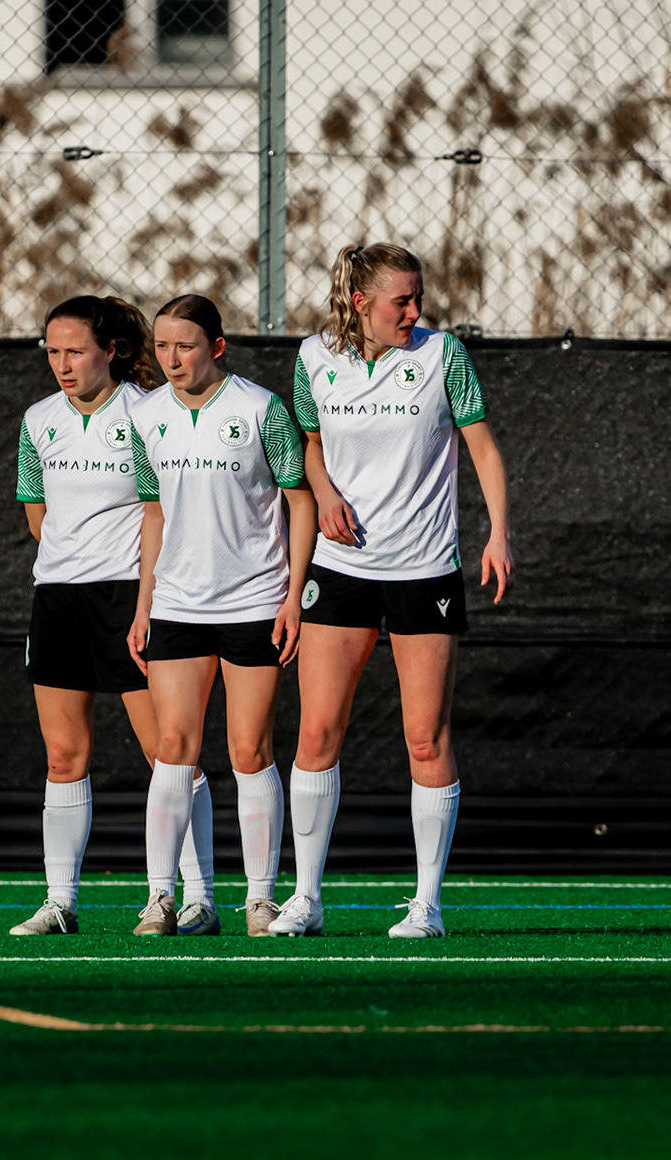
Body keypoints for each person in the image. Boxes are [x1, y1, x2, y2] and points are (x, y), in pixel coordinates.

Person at [267, 243, 512, 940]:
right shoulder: (315, 358)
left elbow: (483, 448)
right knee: (317, 732)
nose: (415, 310)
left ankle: (427, 905)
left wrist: (498, 533)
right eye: (401, 300)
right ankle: (306, 899)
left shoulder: (443, 356)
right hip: (340, 572)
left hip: (425, 570)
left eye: (418, 296)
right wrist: (324, 490)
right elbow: (308, 442)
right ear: (359, 303)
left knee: (425, 739)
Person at [9, 295, 220, 936]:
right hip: (59, 599)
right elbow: (36, 510)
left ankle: (200, 898)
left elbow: (166, 506)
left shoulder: (144, 413)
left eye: (76, 351)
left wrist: (144, 596)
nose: (62, 365)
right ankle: (60, 902)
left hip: (131, 597)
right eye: (52, 352)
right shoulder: (38, 419)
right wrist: (71, 563)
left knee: (169, 753)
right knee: (62, 756)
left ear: (112, 351)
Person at [124, 295, 317, 937]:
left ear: (217, 347)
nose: (171, 359)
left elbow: (299, 501)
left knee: (248, 750)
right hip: (177, 604)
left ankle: (260, 898)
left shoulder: (261, 408)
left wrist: (293, 595)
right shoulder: (146, 415)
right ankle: (164, 899)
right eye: (161, 347)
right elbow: (153, 511)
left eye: (185, 346)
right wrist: (144, 603)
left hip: (255, 602)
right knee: (173, 750)